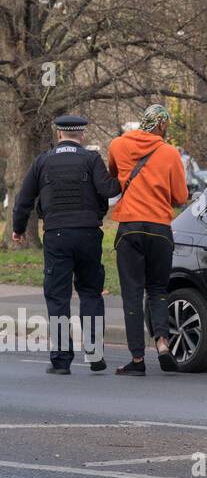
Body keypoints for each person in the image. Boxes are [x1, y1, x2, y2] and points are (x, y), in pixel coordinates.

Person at [10, 115, 121, 374]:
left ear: (59, 134)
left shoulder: (43, 161)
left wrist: (18, 229)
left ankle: (61, 360)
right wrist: (125, 173)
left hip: (57, 235)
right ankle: (94, 354)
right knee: (91, 293)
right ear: (80, 136)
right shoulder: (91, 159)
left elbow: (24, 199)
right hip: (88, 234)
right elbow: (108, 190)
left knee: (57, 296)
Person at [107, 104, 189, 375]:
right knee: (157, 290)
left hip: (129, 227)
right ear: (162, 125)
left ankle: (137, 360)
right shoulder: (169, 152)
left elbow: (114, 176)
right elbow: (180, 196)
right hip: (159, 229)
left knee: (131, 293)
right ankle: (163, 344)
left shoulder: (118, 145)